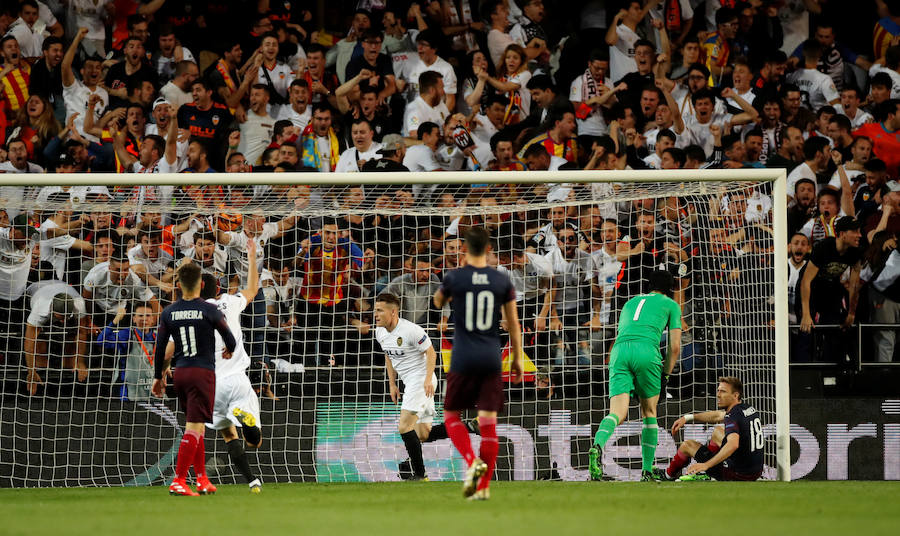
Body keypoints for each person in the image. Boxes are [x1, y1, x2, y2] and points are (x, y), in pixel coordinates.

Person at [432, 226, 524, 500]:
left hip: (462, 356)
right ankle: (483, 488)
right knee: (488, 424)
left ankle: (472, 462)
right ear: (489, 249)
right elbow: (514, 324)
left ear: (464, 250)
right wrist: (518, 356)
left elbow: (438, 303)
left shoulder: (455, 277)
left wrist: (457, 275)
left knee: (451, 416)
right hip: (491, 356)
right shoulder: (501, 280)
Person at [151, 261, 237, 496]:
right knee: (195, 426)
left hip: (181, 373)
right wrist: (229, 349)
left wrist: (158, 377)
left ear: (178, 285)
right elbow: (229, 338)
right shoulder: (210, 310)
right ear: (201, 283)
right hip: (202, 373)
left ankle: (201, 479)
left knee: (196, 426)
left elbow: (160, 348)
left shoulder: (169, 312)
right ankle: (178, 480)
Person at [588, 270, 681, 482]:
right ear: (670, 288)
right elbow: (674, 347)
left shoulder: (630, 302)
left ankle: (597, 446)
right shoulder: (671, 305)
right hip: (646, 351)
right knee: (649, 412)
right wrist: (665, 376)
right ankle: (647, 471)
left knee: (617, 413)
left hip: (619, 352)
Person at [197, 240, 264, 494]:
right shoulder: (231, 302)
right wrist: (252, 256)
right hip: (238, 379)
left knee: (228, 435)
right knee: (253, 440)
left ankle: (252, 481)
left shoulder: (192, 312)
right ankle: (247, 420)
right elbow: (253, 289)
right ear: (219, 290)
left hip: (211, 384)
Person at [374, 293, 438, 481]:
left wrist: (427, 379)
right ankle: (468, 427)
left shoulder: (411, 330)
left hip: (420, 381)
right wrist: (392, 383)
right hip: (408, 382)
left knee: (404, 427)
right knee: (423, 434)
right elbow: (388, 355)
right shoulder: (380, 331)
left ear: (393, 312)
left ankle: (420, 474)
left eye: (379, 310)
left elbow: (431, 353)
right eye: (374, 310)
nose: (375, 314)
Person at [665, 376, 764, 481]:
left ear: (735, 395)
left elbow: (733, 444)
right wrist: (687, 418)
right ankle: (710, 473)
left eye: (723, 392)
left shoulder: (732, 416)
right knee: (717, 431)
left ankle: (667, 475)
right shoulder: (746, 408)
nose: (718, 395)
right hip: (754, 472)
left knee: (687, 445)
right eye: (718, 391)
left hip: (737, 474)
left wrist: (706, 465)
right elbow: (717, 416)